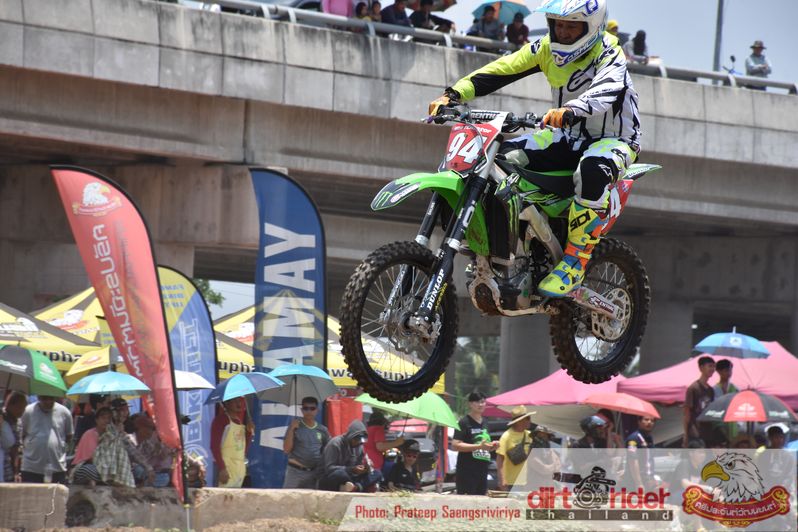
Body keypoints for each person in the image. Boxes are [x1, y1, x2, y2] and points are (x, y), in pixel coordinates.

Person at [429, 0, 642, 298]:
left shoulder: (609, 53)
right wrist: (454, 93)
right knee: (498, 159)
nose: (563, 32)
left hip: (613, 139)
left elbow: (605, 89)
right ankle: (516, 243)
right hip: (566, 135)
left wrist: (572, 109)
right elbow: (503, 69)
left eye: (571, 27)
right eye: (558, 25)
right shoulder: (545, 48)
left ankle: (575, 260)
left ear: (591, 27)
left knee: (591, 171)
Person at [70, 407, 135, 487]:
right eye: (103, 418)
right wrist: (105, 465)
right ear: (97, 420)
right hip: (92, 466)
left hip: (106, 468)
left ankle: (106, 480)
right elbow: (91, 458)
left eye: (108, 418)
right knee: (87, 470)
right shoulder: (90, 434)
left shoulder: (111, 434)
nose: (106, 421)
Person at [451, 391, 498, 495]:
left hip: (483, 469)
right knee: (467, 501)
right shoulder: (464, 422)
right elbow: (455, 445)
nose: (480, 405)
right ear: (470, 404)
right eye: (477, 402)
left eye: (483, 402)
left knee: (480, 501)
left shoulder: (485, 422)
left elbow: (484, 446)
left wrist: (492, 446)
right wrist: (479, 446)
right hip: (467, 471)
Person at [20, 395, 73, 483]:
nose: (48, 402)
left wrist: (58, 446)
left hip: (56, 467)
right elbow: (23, 434)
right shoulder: (28, 411)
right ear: (39, 397)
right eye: (44, 399)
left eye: (51, 398)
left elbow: (69, 436)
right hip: (31, 468)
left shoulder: (65, 412)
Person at [319, 419, 382, 492]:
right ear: (350, 436)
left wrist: (366, 468)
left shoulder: (359, 446)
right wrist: (351, 469)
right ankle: (356, 487)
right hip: (332, 477)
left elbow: (359, 465)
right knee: (340, 473)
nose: (358, 443)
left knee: (377, 473)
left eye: (360, 440)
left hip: (351, 477)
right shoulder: (335, 444)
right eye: (356, 440)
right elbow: (329, 468)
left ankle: (356, 487)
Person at [282, 396, 330, 489]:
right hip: (294, 472)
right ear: (302, 410)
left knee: (311, 499)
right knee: (288, 497)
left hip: (313, 474)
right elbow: (286, 449)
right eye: (306, 408)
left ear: (317, 410)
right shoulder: (295, 426)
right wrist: (292, 428)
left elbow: (327, 450)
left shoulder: (323, 430)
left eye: (312, 408)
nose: (309, 411)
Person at [210, 397, 253, 488]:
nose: (239, 404)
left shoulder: (239, 422)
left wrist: (249, 433)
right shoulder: (221, 420)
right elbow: (214, 447)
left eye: (240, 401)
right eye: (235, 401)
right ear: (227, 403)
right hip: (226, 467)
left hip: (239, 469)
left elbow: (243, 450)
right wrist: (222, 468)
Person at [130, 413, 175, 487]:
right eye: (149, 428)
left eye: (153, 429)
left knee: (164, 478)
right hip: (134, 471)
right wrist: (149, 469)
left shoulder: (147, 442)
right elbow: (137, 458)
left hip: (151, 473)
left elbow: (162, 455)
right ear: (140, 428)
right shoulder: (130, 439)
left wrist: (162, 449)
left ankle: (144, 484)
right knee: (138, 469)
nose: (151, 431)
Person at [496, 406, 532, 491]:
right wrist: (502, 480)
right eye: (527, 418)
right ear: (519, 421)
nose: (530, 421)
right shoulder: (506, 436)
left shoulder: (530, 435)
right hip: (511, 482)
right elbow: (500, 459)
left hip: (526, 482)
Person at [683, 356, 715, 447]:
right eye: (710, 366)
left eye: (714, 366)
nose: (712, 369)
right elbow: (686, 412)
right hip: (695, 431)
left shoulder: (711, 390)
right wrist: (686, 434)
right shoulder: (693, 388)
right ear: (701, 368)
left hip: (708, 431)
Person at [363, 410, 403, 475]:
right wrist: (397, 442)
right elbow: (380, 447)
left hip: (365, 462)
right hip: (374, 465)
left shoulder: (367, 429)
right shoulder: (378, 429)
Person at [1, 391, 26, 482]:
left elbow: (16, 448)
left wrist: (16, 472)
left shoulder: (18, 423)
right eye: (19, 408)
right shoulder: (1, 417)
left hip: (8, 471)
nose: (22, 411)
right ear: (10, 405)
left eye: (24, 408)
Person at [625, 415, 656, 489]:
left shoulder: (649, 438)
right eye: (646, 419)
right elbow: (633, 461)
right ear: (639, 422)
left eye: (652, 421)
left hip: (649, 480)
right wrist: (638, 483)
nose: (649, 422)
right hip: (636, 481)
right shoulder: (633, 438)